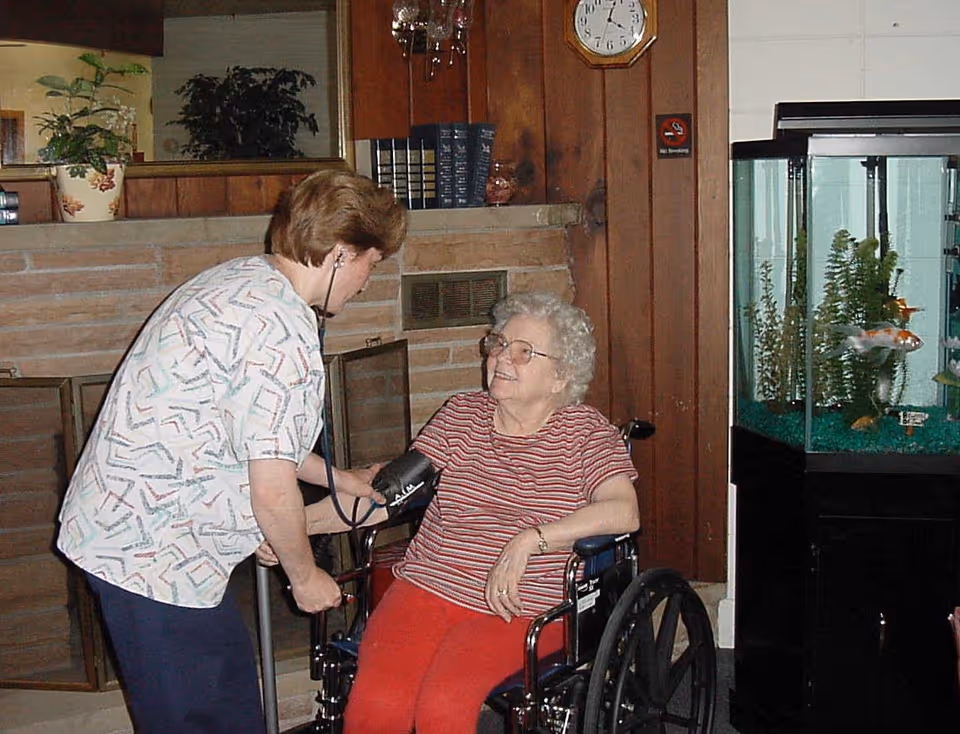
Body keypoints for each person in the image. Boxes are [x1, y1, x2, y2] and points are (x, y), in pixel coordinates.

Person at [55, 169, 407, 734]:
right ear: (342, 253)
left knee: (217, 701)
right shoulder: (282, 333)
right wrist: (305, 575)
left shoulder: (242, 280)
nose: (367, 281)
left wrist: (342, 480)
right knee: (214, 719)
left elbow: (257, 438)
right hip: (154, 555)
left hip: (121, 532)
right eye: (372, 263)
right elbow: (271, 490)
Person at [285, 291, 641, 734]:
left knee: (442, 707)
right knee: (374, 710)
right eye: (498, 343)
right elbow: (386, 496)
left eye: (523, 351)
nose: (501, 357)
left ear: (559, 376)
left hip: (519, 607)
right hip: (427, 586)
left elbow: (624, 511)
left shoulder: (584, 431)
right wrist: (293, 526)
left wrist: (532, 539)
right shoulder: (461, 414)